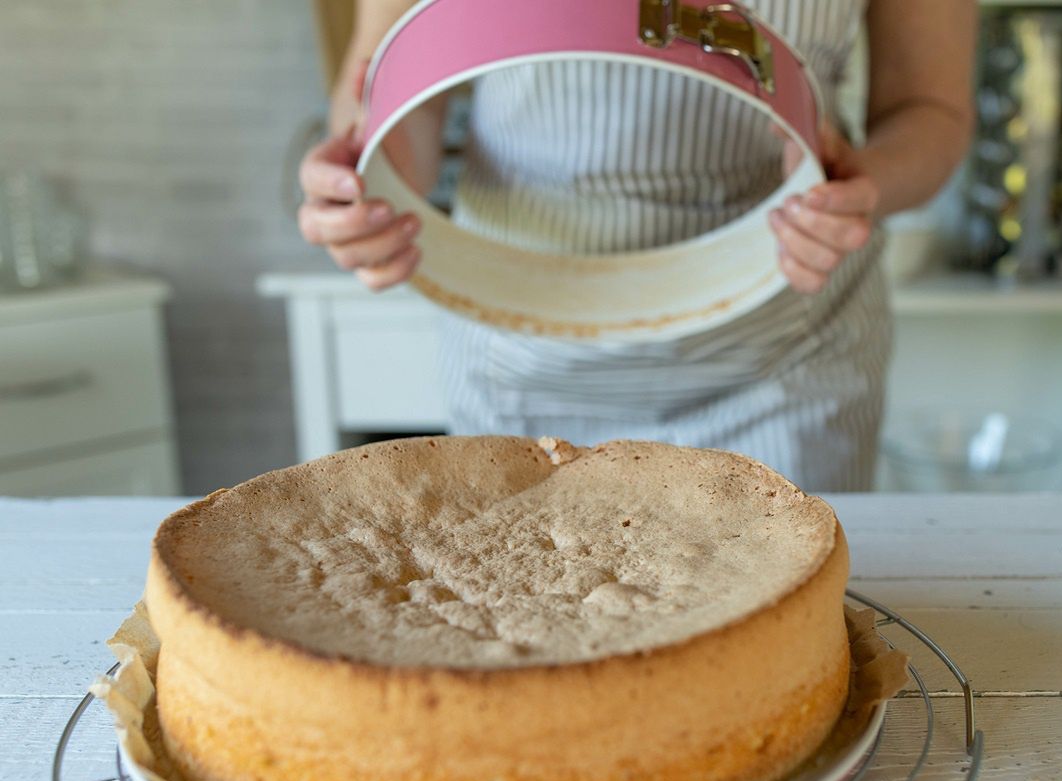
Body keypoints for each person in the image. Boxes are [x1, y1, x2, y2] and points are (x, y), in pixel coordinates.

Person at [298, 0, 975, 491]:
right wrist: (374, 181)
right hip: (519, 335)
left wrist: (861, 184)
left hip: (783, 353)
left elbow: (927, 107)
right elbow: (392, 78)